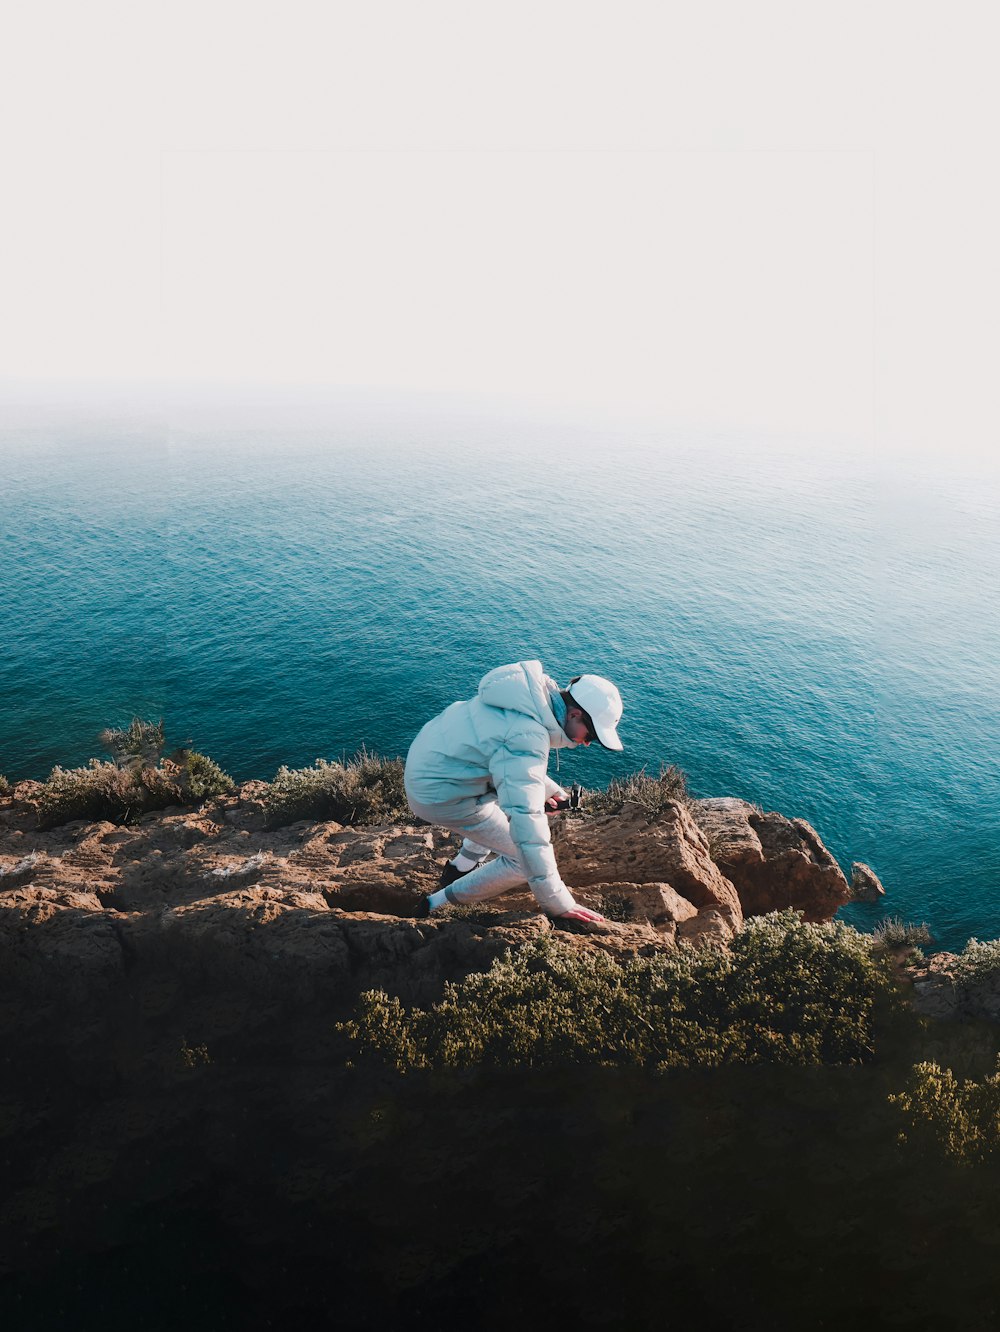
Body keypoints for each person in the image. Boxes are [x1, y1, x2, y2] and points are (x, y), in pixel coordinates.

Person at [403, 659, 623, 921]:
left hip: (430, 770)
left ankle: (460, 869)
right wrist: (558, 902)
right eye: (591, 736)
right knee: (522, 859)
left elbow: (505, 756)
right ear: (574, 714)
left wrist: (546, 790)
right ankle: (435, 905)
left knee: (502, 807)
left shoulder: (524, 699)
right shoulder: (528, 735)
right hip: (440, 796)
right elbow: (527, 826)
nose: (587, 744)